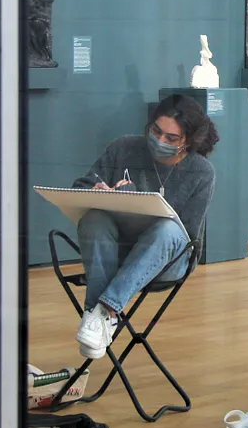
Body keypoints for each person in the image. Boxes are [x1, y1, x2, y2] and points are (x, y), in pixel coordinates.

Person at [71, 94, 218, 360]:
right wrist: (97, 189)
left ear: (188, 141)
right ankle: (99, 318)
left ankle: (104, 311)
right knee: (94, 218)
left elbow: (188, 238)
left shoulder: (201, 171)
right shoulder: (123, 147)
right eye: (156, 131)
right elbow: (79, 187)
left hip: (165, 260)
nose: (160, 141)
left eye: (171, 138)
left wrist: (144, 205)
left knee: (168, 229)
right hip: (116, 251)